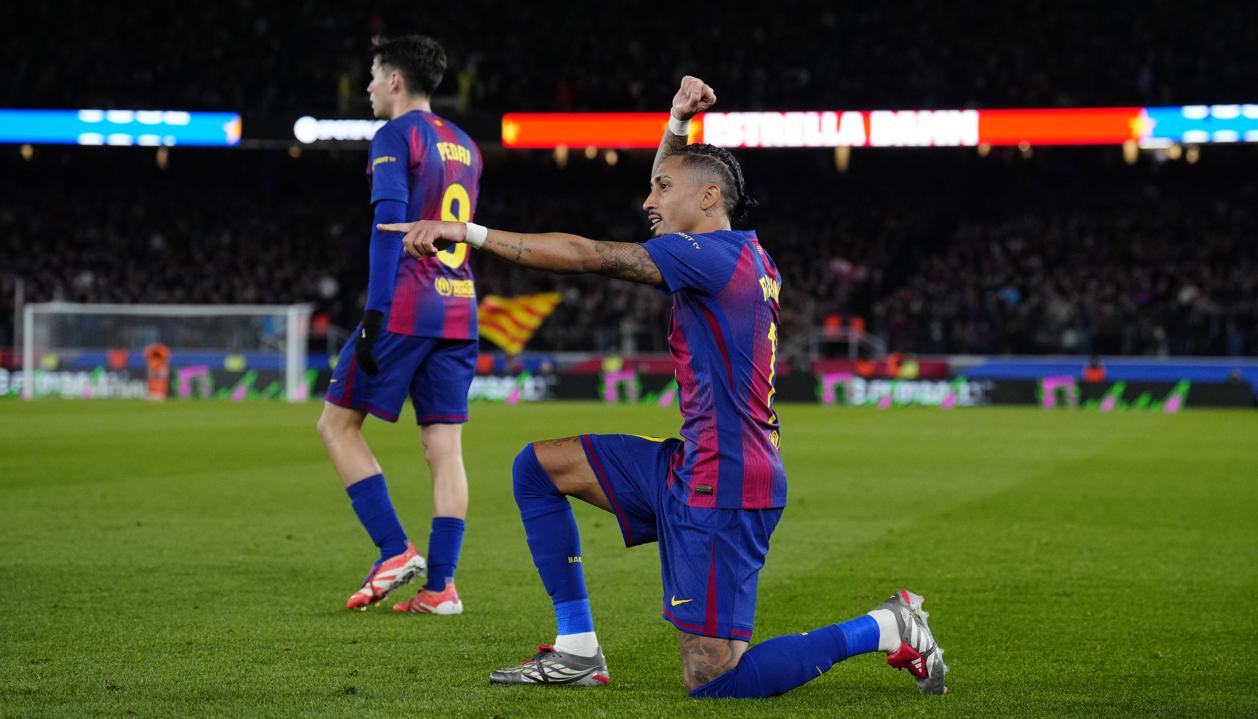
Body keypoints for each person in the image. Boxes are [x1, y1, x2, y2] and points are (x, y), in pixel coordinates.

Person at [380, 76, 948, 697]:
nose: (649, 197)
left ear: (708, 197)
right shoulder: (736, 253)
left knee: (714, 679)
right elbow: (669, 190)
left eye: (662, 187)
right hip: (691, 463)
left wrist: (469, 233)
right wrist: (676, 124)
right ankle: (576, 649)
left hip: (728, 480)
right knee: (539, 467)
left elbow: (586, 253)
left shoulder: (709, 259)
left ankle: (886, 625)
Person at [316, 34, 482, 616]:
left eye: (371, 73)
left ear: (394, 80)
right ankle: (441, 589)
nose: (365, 85)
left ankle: (394, 549)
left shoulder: (394, 136)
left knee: (336, 426)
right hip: (460, 307)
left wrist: (372, 318)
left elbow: (389, 228)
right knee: (445, 447)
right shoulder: (466, 144)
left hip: (408, 307)